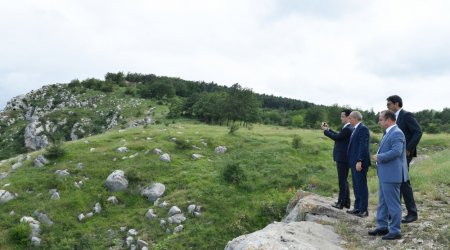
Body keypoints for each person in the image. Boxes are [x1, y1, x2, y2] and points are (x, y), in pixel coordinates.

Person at [369, 110, 408, 240]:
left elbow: (396, 152)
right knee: (383, 202)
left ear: (388, 120)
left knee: (393, 203)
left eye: (380, 119)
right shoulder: (389, 132)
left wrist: (379, 157)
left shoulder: (397, 132)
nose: (379, 122)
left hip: (392, 174)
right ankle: (382, 227)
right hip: (385, 173)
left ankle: (395, 230)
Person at [386, 95, 422, 223]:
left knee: (403, 182)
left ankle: (412, 213)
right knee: (397, 182)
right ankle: (394, 212)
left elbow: (418, 131)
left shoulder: (406, 115)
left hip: (404, 154)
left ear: (397, 104)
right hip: (394, 154)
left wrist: (408, 148)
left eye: (389, 104)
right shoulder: (393, 118)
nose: (387, 107)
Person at [321, 109, 353, 209]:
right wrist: (329, 129)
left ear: (348, 117)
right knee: (344, 180)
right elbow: (339, 135)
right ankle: (346, 202)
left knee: (342, 181)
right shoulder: (348, 127)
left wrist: (326, 131)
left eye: (342, 116)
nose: (341, 118)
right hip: (345, 157)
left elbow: (337, 137)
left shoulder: (348, 128)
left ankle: (341, 203)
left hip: (343, 158)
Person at [346, 111, 371, 217]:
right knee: (356, 186)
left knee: (361, 186)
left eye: (350, 118)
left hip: (359, 162)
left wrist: (359, 160)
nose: (349, 120)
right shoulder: (355, 129)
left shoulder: (363, 129)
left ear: (356, 118)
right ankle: (357, 208)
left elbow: (363, 146)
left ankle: (364, 210)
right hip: (353, 162)